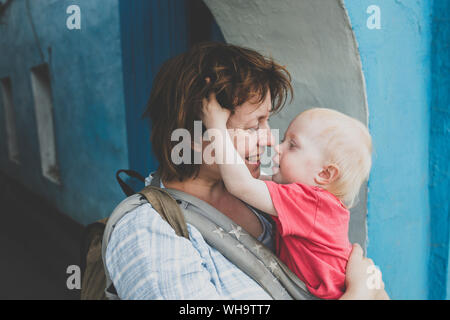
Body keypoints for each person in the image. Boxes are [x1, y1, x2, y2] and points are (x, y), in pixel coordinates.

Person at [105, 42, 387, 299]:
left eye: (267, 123)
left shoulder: (265, 199)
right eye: (254, 126)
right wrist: (360, 293)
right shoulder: (152, 231)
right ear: (192, 138)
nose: (269, 140)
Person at [201, 100, 389, 299]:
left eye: (292, 145)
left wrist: (216, 126)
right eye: (283, 140)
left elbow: (241, 184)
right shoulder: (316, 203)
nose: (278, 147)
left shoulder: (310, 201)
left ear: (325, 174)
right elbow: (251, 178)